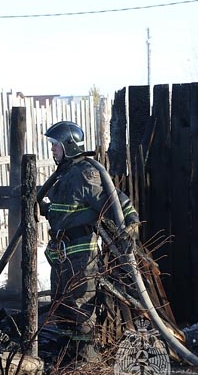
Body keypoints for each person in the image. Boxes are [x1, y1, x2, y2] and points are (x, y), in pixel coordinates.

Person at [39, 121, 140, 362]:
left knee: (79, 309)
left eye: (56, 145)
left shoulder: (87, 173)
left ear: (69, 146)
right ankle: (67, 360)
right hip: (62, 254)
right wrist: (45, 209)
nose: (52, 150)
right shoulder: (65, 173)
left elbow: (116, 200)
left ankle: (85, 364)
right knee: (63, 307)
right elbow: (67, 209)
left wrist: (131, 225)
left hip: (80, 255)